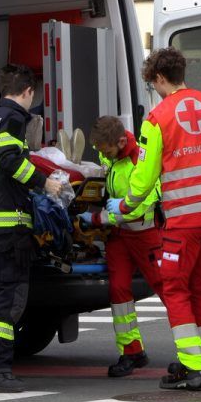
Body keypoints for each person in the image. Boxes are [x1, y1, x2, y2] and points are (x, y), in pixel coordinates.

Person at [107, 47, 201, 390]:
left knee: (174, 288)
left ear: (159, 78)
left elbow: (143, 178)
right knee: (198, 288)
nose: (154, 89)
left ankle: (191, 368)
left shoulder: (157, 119)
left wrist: (124, 208)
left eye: (152, 83)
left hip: (184, 224)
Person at [0, 64, 63, 393]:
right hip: (8, 223)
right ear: (27, 92)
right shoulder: (13, 119)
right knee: (7, 301)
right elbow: (11, 160)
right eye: (32, 96)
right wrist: (44, 184)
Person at [77, 116, 164, 377]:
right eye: (101, 152)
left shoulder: (142, 161)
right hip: (119, 236)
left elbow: (144, 205)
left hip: (144, 233)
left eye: (107, 151)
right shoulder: (112, 155)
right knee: (119, 291)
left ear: (122, 141)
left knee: (168, 289)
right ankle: (131, 351)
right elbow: (106, 166)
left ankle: (193, 352)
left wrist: (96, 218)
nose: (105, 156)